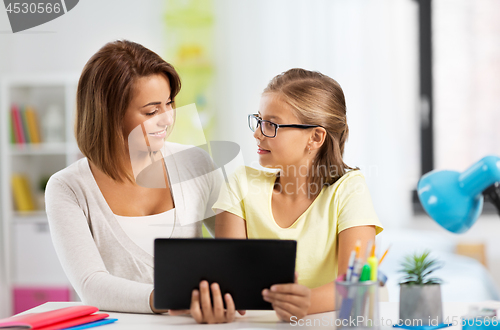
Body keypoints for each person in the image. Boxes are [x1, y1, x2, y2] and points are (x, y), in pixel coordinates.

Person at [45, 40, 222, 314]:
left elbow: (237, 250)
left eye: (169, 103)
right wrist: (172, 298)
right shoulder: (68, 187)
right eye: (152, 111)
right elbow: (91, 285)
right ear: (109, 115)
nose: (167, 119)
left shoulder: (195, 164)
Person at [203, 68, 384, 322]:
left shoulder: (349, 189)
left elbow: (356, 286)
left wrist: (306, 302)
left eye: (271, 125)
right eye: (259, 120)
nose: (257, 133)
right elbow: (231, 283)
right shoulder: (241, 184)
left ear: (315, 137)